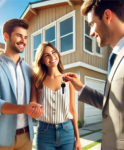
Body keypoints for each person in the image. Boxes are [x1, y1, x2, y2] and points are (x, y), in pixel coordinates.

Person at [62, 0, 124, 150]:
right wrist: (81, 88)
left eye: (91, 24)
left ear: (107, 16)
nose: (90, 33)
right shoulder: (115, 58)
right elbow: (111, 106)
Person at [0, 19, 43, 150]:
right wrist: (24, 108)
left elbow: (33, 100)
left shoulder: (29, 70)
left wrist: (35, 110)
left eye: (25, 37)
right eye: (19, 35)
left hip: (26, 137)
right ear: (6, 36)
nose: (23, 41)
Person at [30, 42, 81, 150]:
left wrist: (78, 139)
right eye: (47, 55)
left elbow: (72, 110)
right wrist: (34, 112)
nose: (52, 57)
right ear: (42, 60)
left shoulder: (68, 80)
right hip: (44, 134)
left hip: (67, 132)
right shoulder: (37, 81)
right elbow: (32, 108)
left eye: (54, 52)